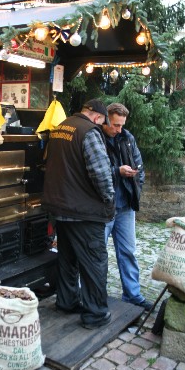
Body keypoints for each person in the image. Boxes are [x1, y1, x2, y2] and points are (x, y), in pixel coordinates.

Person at [42, 99, 115, 329]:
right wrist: (109, 199)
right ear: (96, 117)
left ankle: (67, 302)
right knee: (94, 262)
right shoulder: (89, 132)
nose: (101, 125)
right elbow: (101, 173)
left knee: (67, 259)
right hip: (84, 212)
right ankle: (95, 313)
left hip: (60, 207)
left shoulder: (60, 127)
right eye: (102, 122)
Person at [102, 103, 152, 311]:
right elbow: (96, 171)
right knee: (98, 254)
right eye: (115, 125)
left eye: (122, 125)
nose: (119, 129)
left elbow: (139, 166)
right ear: (105, 120)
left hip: (125, 207)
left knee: (129, 252)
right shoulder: (97, 138)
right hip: (104, 207)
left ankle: (132, 294)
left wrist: (136, 185)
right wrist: (117, 171)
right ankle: (96, 295)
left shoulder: (128, 137)